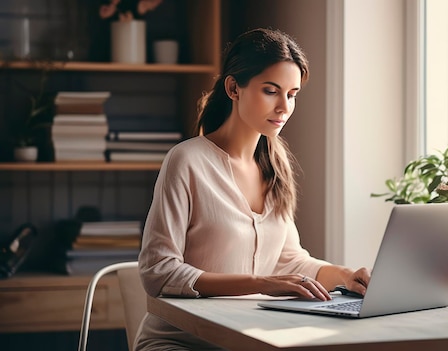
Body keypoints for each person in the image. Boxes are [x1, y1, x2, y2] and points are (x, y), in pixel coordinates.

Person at [134, 28, 371, 350]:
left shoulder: (276, 164)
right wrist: (261, 283)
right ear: (234, 88)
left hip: (248, 337)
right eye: (271, 91)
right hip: (181, 340)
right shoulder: (187, 160)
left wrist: (345, 276)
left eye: (292, 94)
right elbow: (158, 272)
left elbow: (289, 262)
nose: (284, 107)